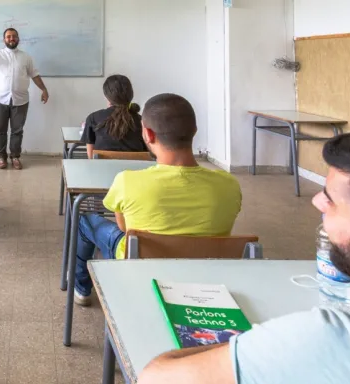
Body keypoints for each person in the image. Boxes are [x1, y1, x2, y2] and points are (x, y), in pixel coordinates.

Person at [135, 133, 350, 384]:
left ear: (149, 134)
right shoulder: (228, 185)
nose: (316, 202)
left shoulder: (326, 345)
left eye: (331, 199)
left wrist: (251, 343)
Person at [73, 93, 242, 306]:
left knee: (85, 220)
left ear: (148, 134)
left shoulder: (127, 181)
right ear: (194, 131)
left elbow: (124, 229)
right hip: (205, 273)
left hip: (140, 268)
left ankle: (81, 289)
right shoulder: (229, 185)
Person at [0, 28, 49, 170]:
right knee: (0, 130)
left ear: (18, 39)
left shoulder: (26, 57)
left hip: (20, 100)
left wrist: (44, 89)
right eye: (8, 36)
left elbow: (34, 74)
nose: (11, 38)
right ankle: (2, 157)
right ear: (4, 39)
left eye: (14, 36)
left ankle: (15, 156)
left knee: (17, 130)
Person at [81, 74, 147, 158]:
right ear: (131, 94)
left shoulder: (93, 118)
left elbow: (91, 157)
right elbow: (147, 153)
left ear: (107, 96)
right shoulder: (142, 121)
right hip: (136, 170)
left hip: (101, 170)